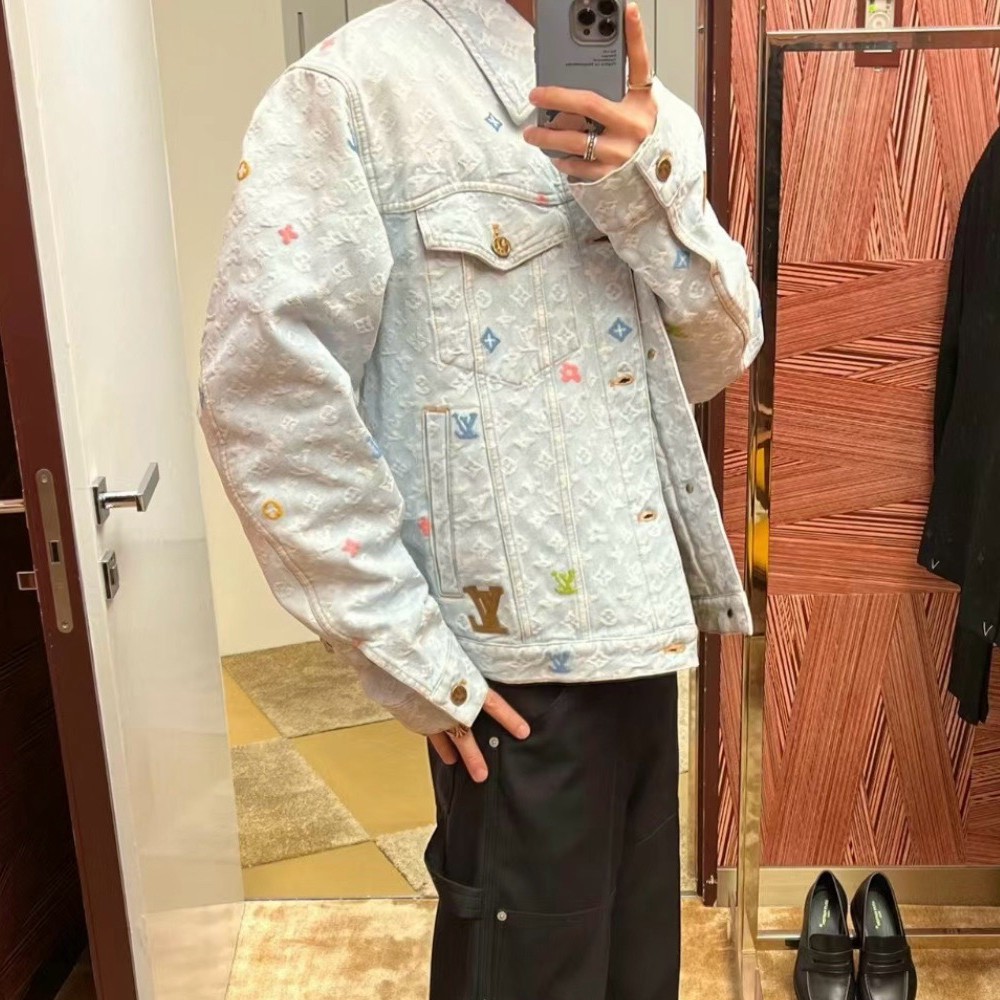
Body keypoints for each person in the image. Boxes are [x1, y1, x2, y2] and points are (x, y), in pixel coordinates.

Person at [197, 0, 762, 996]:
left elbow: (716, 357)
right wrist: (404, 649)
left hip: (643, 636)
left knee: (635, 974)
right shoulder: (355, 90)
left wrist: (644, 187)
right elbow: (265, 394)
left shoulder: (645, 112)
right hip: (509, 674)